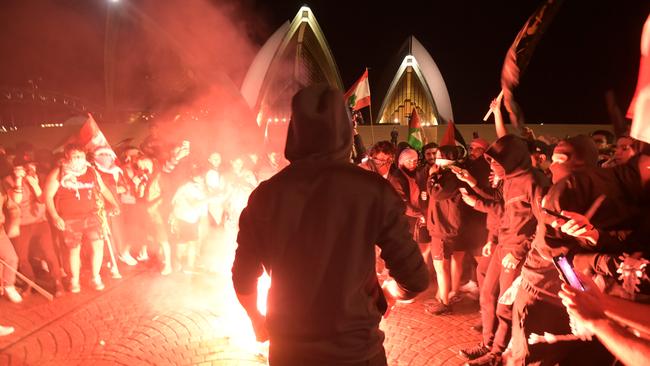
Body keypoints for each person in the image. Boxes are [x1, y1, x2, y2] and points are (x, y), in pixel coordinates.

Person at [232, 84, 429, 366]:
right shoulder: (373, 190)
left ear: (294, 131)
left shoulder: (266, 195)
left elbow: (242, 275)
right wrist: (389, 294)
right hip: (357, 351)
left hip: (291, 352)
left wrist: (256, 318)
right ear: (344, 132)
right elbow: (415, 278)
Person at [44, 144, 119, 293]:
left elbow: (103, 189)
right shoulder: (58, 173)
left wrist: (114, 204)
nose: (79, 160)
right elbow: (48, 196)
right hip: (70, 219)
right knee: (74, 250)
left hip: (92, 215)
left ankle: (95, 277)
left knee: (98, 246)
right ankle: (75, 280)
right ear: (67, 157)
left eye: (81, 156)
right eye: (75, 157)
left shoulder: (91, 171)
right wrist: (54, 216)